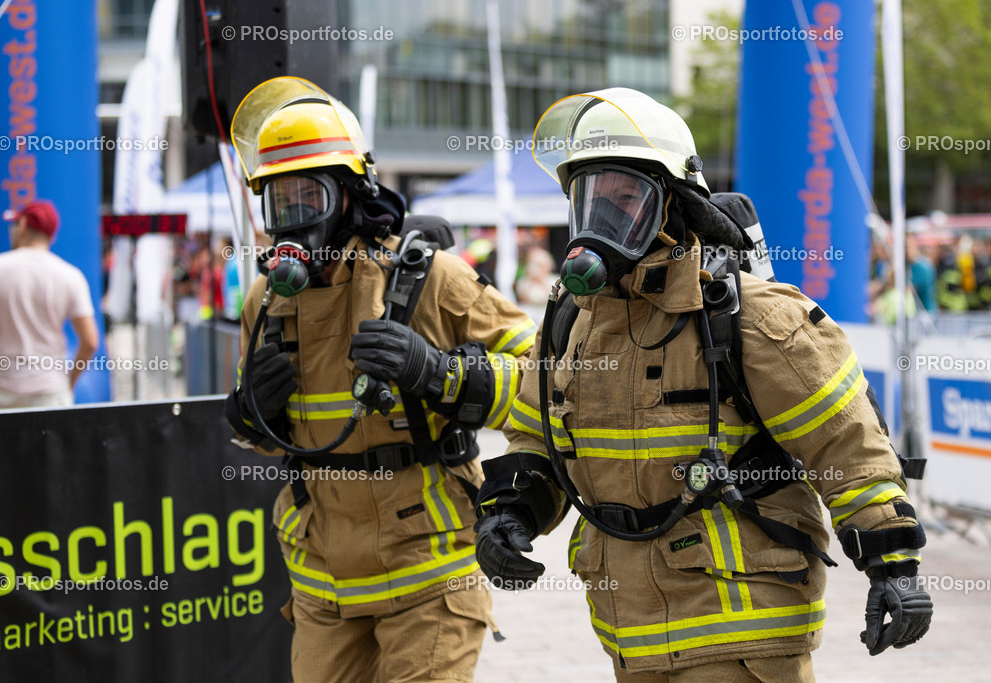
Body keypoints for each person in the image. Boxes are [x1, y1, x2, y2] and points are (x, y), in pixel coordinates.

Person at [473, 88, 931, 681]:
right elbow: (537, 435)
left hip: (744, 633)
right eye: (590, 198)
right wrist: (513, 510)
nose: (604, 217)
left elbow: (846, 445)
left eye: (626, 196)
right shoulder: (571, 322)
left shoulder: (753, 318)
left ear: (673, 205)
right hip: (630, 633)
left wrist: (893, 564)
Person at [223, 77, 536, 683]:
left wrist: (440, 374)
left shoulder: (431, 278)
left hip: (428, 574)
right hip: (324, 584)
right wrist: (248, 411)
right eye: (277, 203)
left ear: (348, 195)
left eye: (306, 199)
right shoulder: (266, 298)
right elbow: (271, 439)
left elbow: (553, 383)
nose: (292, 220)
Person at [0, 200, 99, 409]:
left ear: (22, 226)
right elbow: (90, 341)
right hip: (52, 393)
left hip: (4, 391)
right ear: (52, 236)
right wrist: (68, 383)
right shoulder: (71, 276)